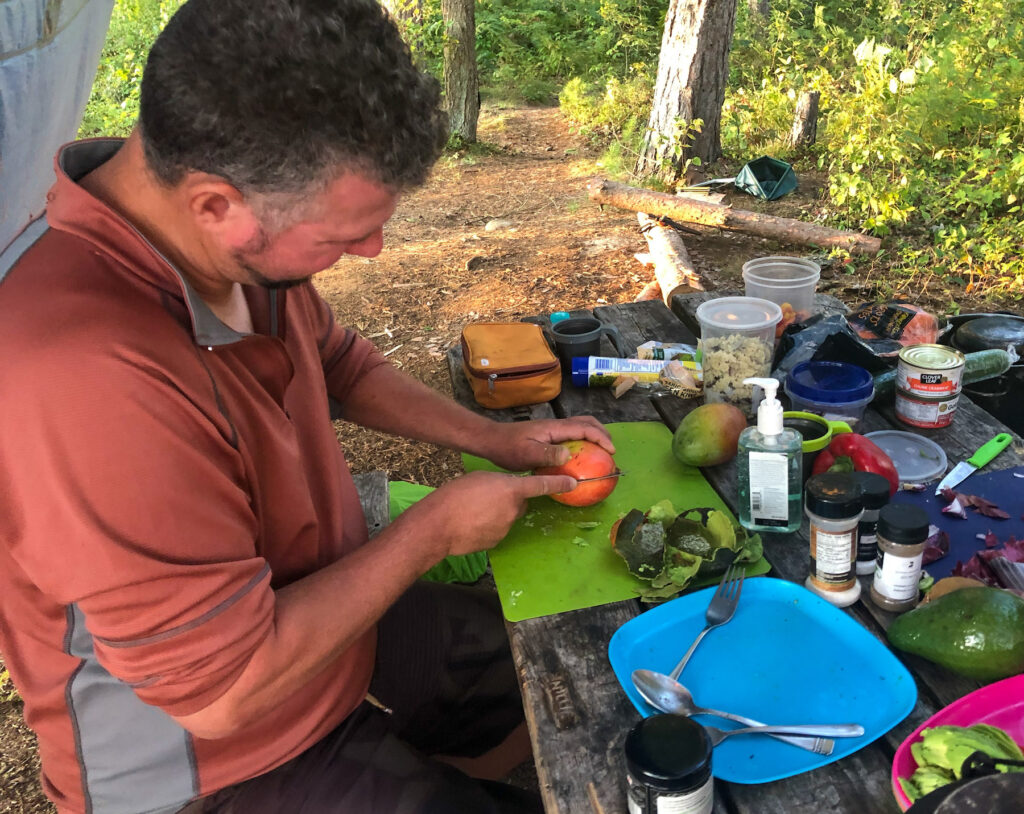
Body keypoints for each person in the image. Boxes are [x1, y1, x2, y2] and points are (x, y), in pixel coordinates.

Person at [0, 1, 614, 812]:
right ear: (215, 204)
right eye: (340, 237)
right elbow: (221, 692)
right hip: (204, 763)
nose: (372, 252)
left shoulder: (223, 245)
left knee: (567, 674)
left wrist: (493, 440)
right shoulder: (84, 379)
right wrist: (431, 530)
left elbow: (336, 364)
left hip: (318, 628)